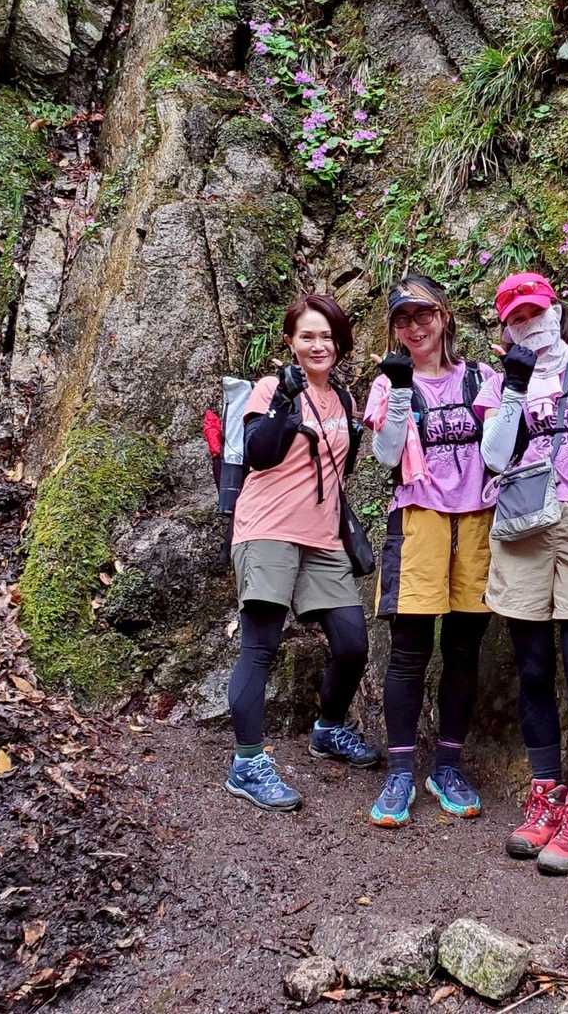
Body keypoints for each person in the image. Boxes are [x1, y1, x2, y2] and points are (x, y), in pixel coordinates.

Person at [474, 273, 568, 876]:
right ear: (505, 329)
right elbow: (493, 456)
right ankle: (544, 795)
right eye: (516, 318)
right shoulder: (500, 382)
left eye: (536, 312)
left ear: (557, 311)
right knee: (532, 669)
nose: (529, 324)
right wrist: (514, 384)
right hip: (522, 522)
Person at [224, 294, 378, 812]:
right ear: (290, 341)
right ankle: (247, 763)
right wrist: (283, 403)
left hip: (323, 537)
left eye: (326, 336)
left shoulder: (344, 400)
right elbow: (259, 453)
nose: (318, 345)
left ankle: (328, 729)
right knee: (261, 645)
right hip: (267, 528)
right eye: (307, 336)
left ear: (340, 343)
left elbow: (343, 466)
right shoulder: (271, 389)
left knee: (352, 643)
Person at [362, 274, 494, 827]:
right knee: (410, 650)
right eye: (403, 319)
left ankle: (447, 765)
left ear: (444, 316)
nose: (415, 327)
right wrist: (397, 396)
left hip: (478, 518)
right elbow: (385, 455)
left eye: (423, 315)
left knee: (464, 649)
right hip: (418, 519)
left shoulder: (480, 378)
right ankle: (399, 771)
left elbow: (501, 448)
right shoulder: (389, 381)